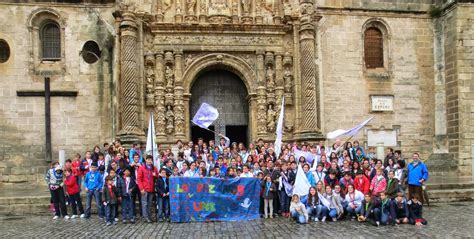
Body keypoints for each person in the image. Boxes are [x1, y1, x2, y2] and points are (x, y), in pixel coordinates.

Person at [137, 155, 158, 223]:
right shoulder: (141, 168)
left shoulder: (154, 168)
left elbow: (157, 176)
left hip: (151, 188)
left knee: (149, 204)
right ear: (146, 160)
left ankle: (149, 216)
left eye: (150, 160)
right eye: (148, 159)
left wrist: (155, 175)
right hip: (144, 188)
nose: (149, 161)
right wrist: (141, 188)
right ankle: (145, 217)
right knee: (144, 203)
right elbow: (139, 179)